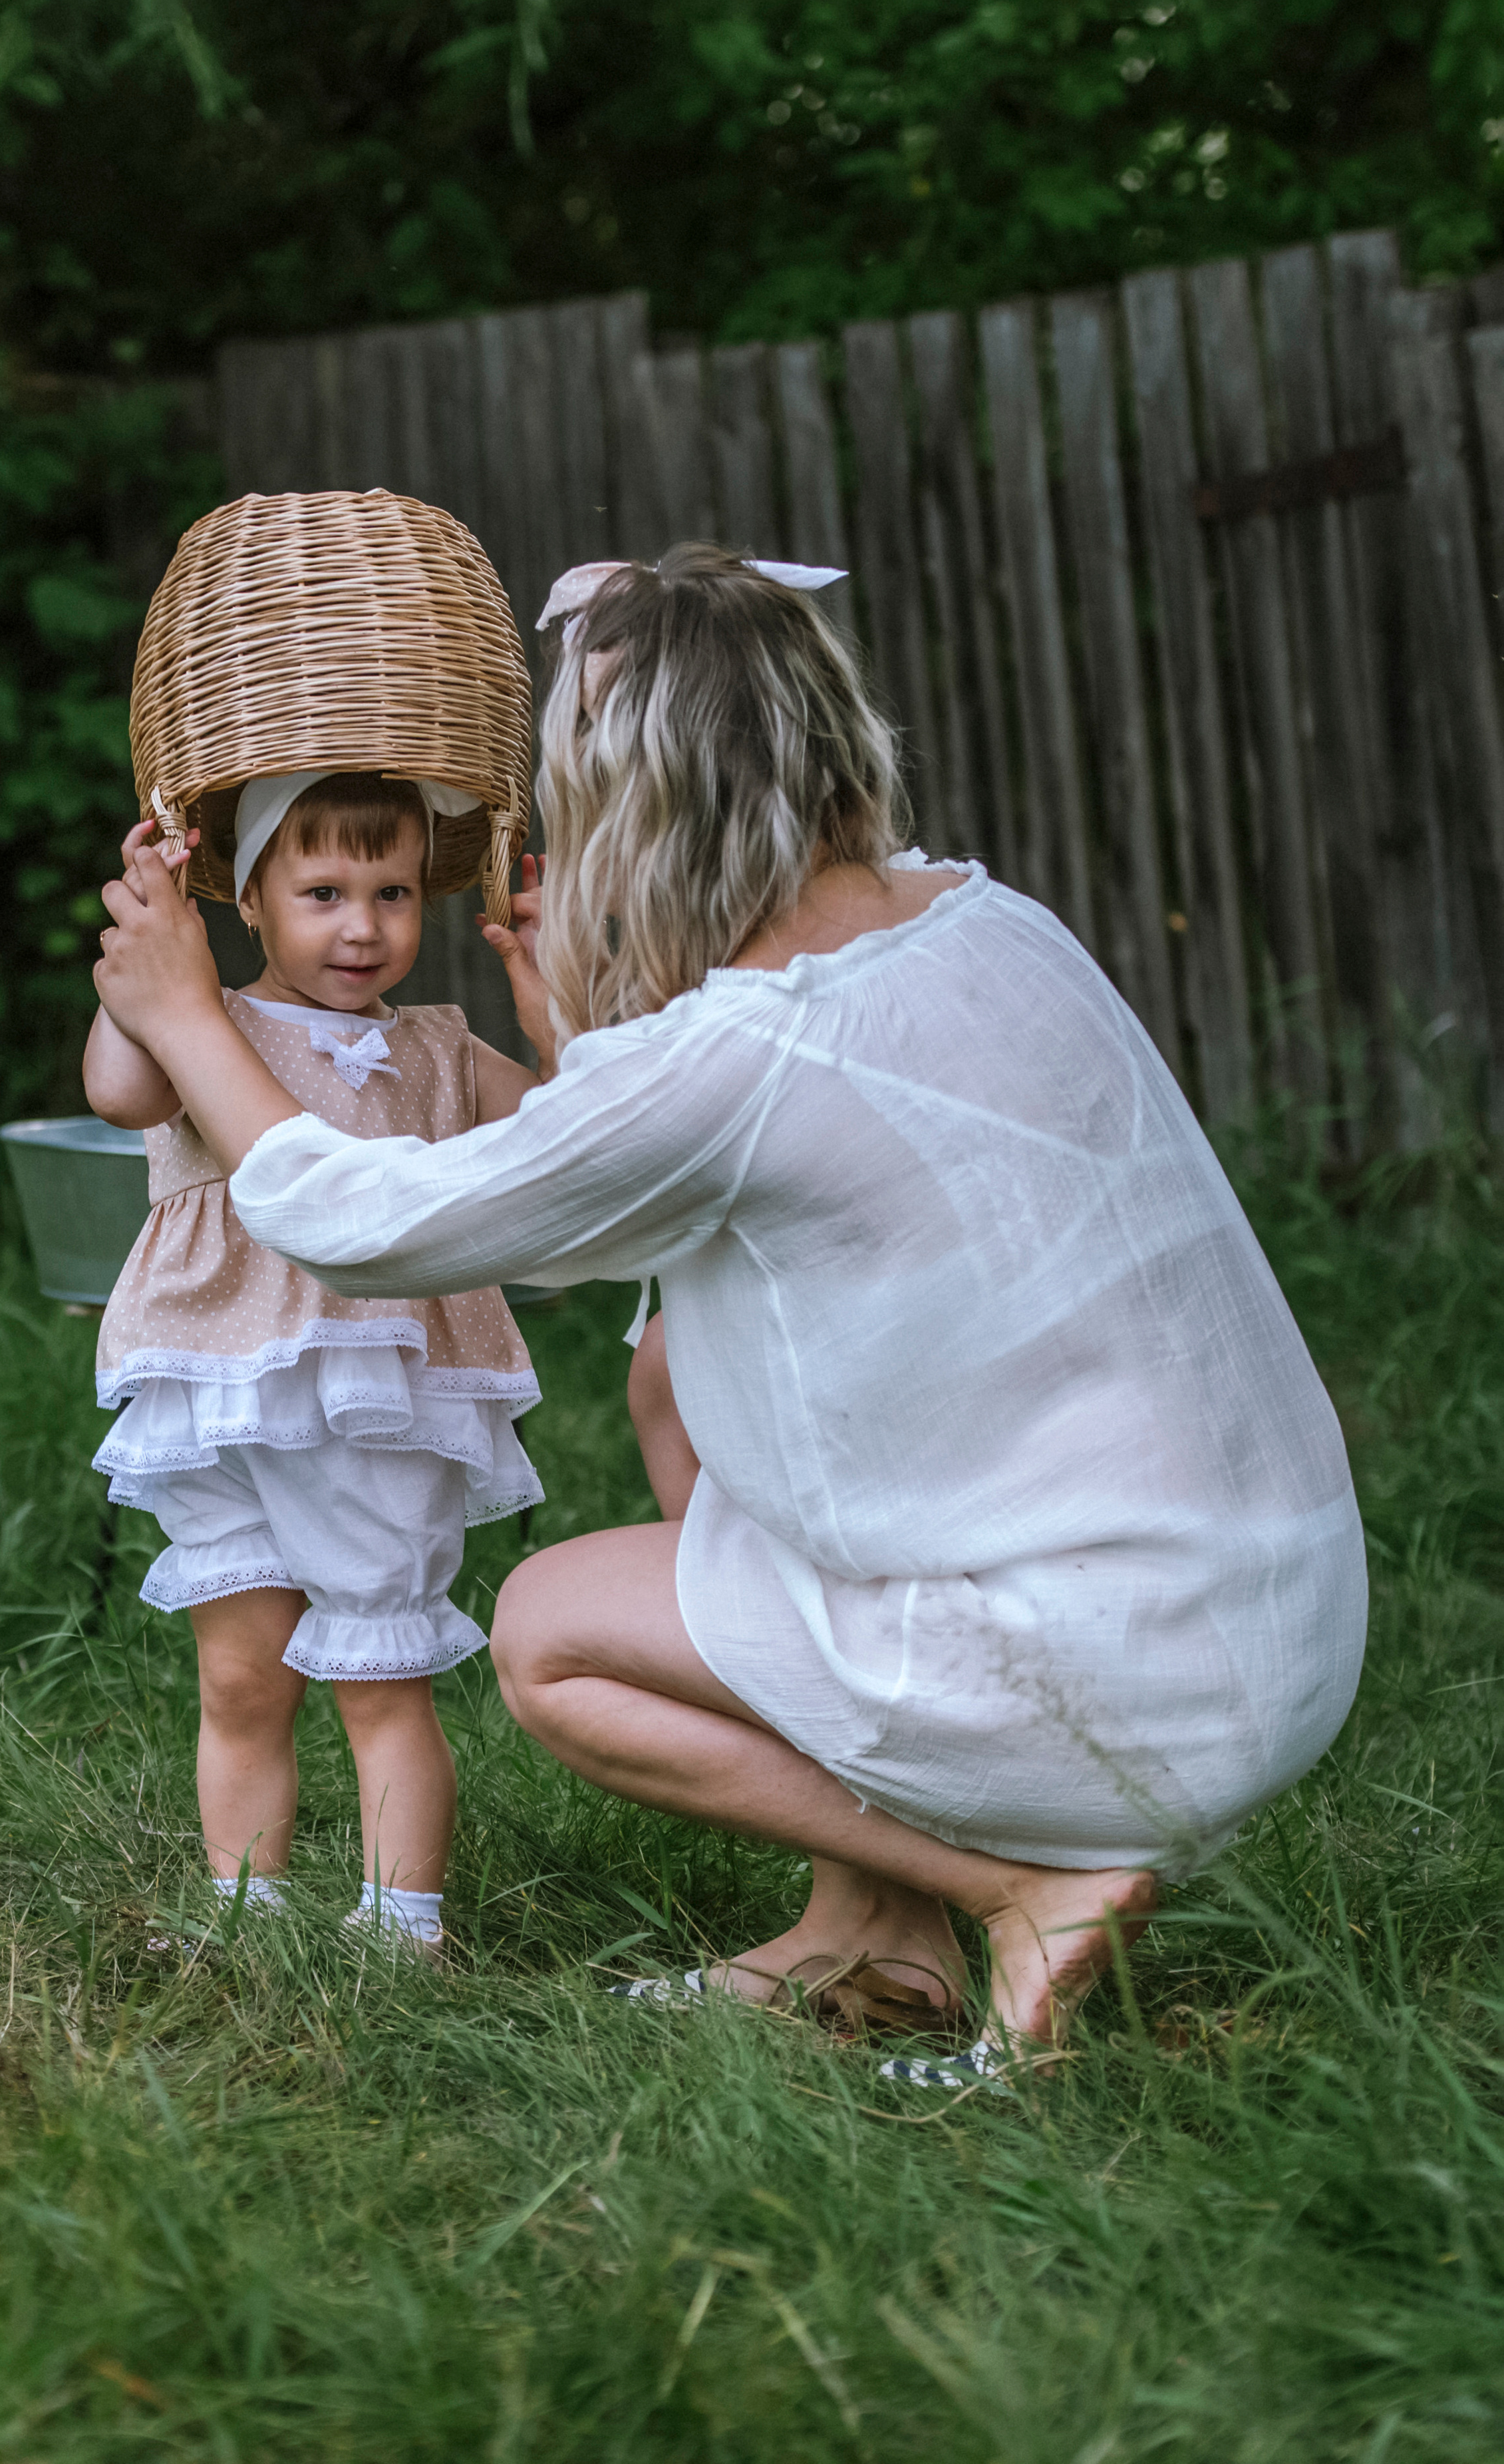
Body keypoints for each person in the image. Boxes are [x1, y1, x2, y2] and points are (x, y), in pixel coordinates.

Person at [91, 544, 1368, 2065]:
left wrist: (179, 1009)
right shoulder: (987, 916)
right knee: (665, 1386)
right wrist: (587, 1046)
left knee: (547, 1633)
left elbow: (364, 1227)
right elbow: (676, 1200)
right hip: (1272, 1614)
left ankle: (1026, 1883)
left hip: (1115, 1674)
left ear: (636, 802)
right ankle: (869, 1931)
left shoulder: (730, 1055)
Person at [85, 770, 544, 1956]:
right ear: (246, 901)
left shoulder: (439, 1049)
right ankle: (252, 1914)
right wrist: (151, 943)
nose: (363, 925)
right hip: (219, 1386)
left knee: (378, 1670)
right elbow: (118, 1088)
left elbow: (561, 1124)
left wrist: (551, 998)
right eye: (324, 891)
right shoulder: (209, 1026)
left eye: (391, 892)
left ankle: (403, 1929)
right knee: (240, 1680)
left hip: (372, 1398)